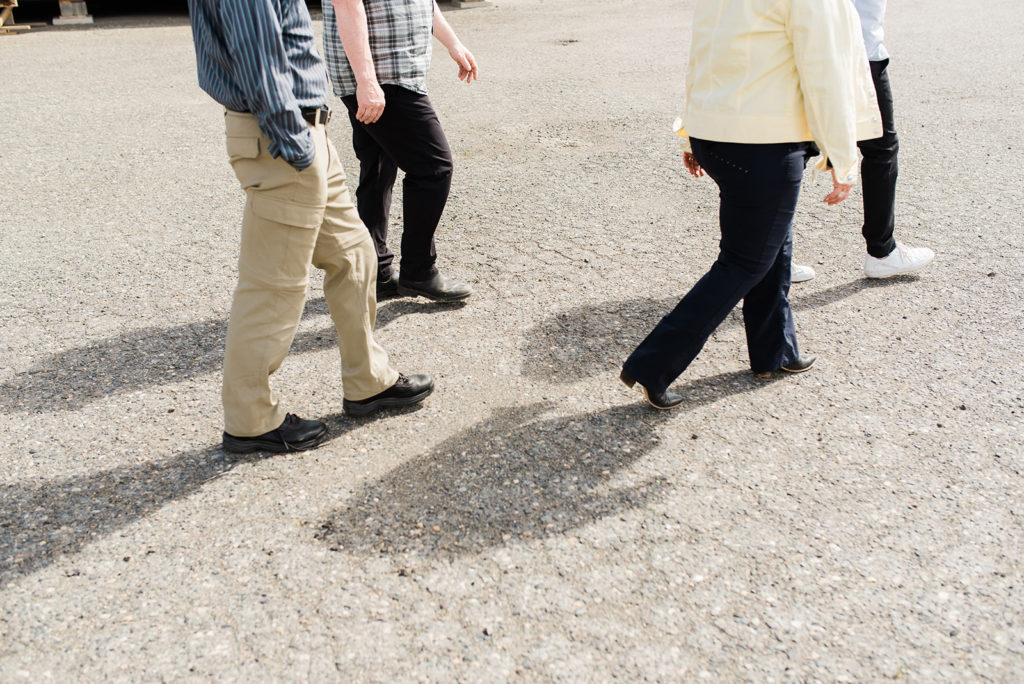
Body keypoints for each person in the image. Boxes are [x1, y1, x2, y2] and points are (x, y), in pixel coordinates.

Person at [187, 0, 434, 453]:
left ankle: (368, 381)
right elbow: (259, 56)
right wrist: (296, 145)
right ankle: (250, 420)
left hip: (306, 132)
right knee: (273, 285)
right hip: (285, 138)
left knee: (354, 254)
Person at [620, 0, 883, 409]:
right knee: (745, 260)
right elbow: (825, 72)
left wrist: (692, 133)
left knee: (772, 243)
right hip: (762, 142)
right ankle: (652, 364)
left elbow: (705, 53)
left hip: (719, 134)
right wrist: (843, 157)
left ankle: (776, 352)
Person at [322, 0, 478, 303]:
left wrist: (453, 43)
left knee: (379, 166)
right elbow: (348, 6)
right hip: (381, 77)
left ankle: (375, 274)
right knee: (433, 168)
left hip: (389, 74)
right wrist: (367, 81)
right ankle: (419, 271)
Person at [792, 0, 935, 282]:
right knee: (880, 147)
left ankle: (773, 255)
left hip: (808, 48)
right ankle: (882, 252)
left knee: (796, 147)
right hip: (857, 52)